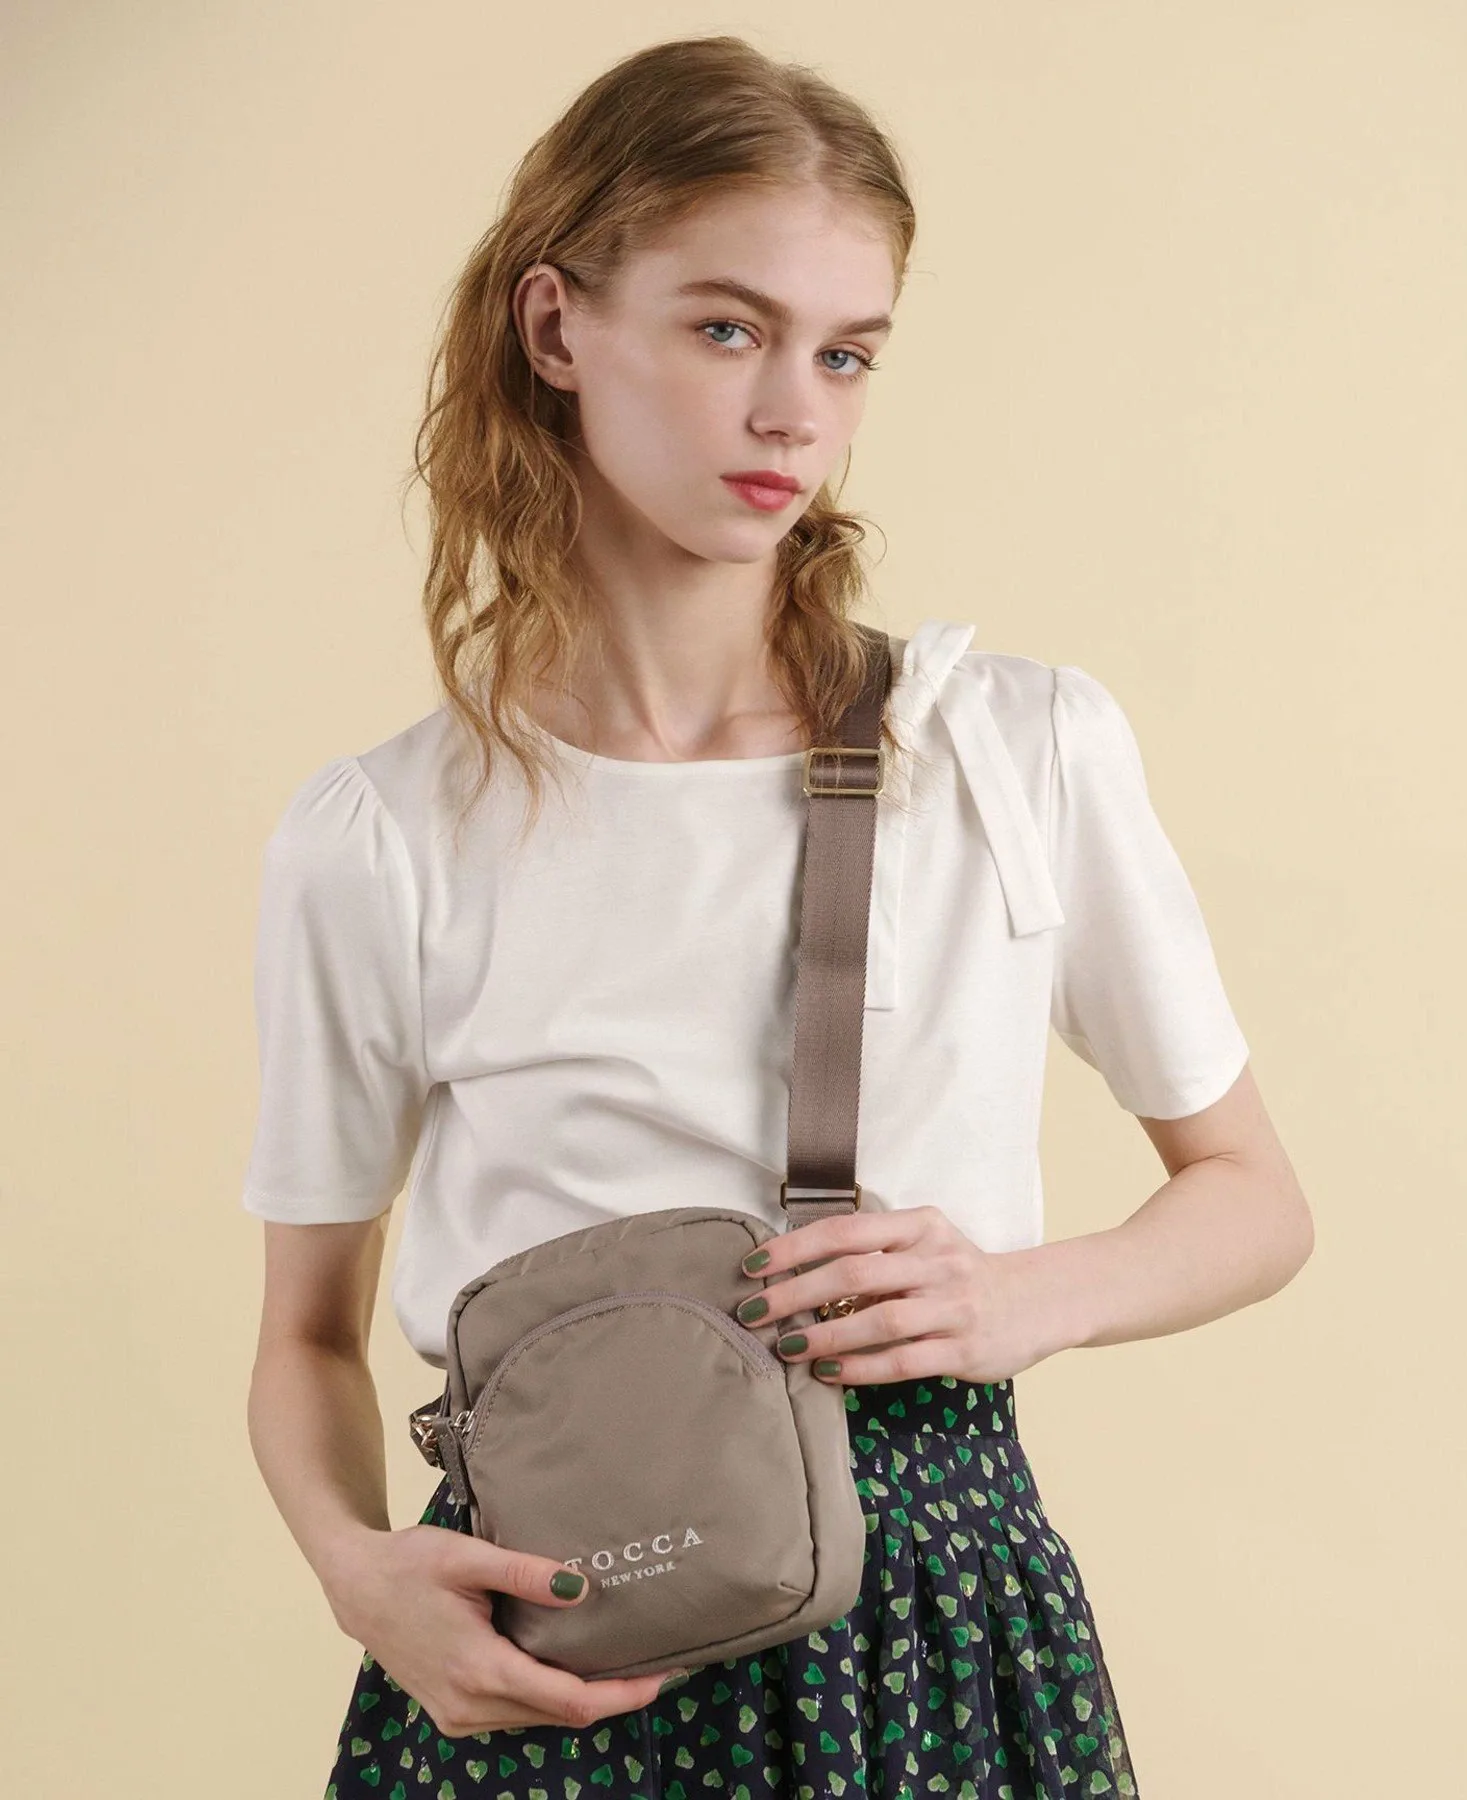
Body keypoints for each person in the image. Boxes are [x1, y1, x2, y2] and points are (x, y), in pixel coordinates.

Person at [241, 34, 1314, 1800]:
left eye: (845, 352)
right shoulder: (381, 837)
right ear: (556, 326)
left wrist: (1022, 1298)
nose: (794, 414)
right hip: (553, 1645)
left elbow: (1255, 1198)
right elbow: (300, 1335)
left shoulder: (1015, 750)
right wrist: (364, 1577)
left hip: (939, 1626)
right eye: (729, 329)